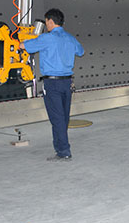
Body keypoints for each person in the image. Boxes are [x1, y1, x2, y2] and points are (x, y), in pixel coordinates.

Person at [20, 9, 84, 161]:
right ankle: (61, 147)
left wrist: (21, 40)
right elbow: (81, 52)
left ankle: (63, 151)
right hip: (67, 83)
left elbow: (23, 46)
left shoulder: (46, 38)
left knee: (57, 118)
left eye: (46, 22)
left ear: (49, 21)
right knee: (63, 117)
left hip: (52, 84)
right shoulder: (70, 38)